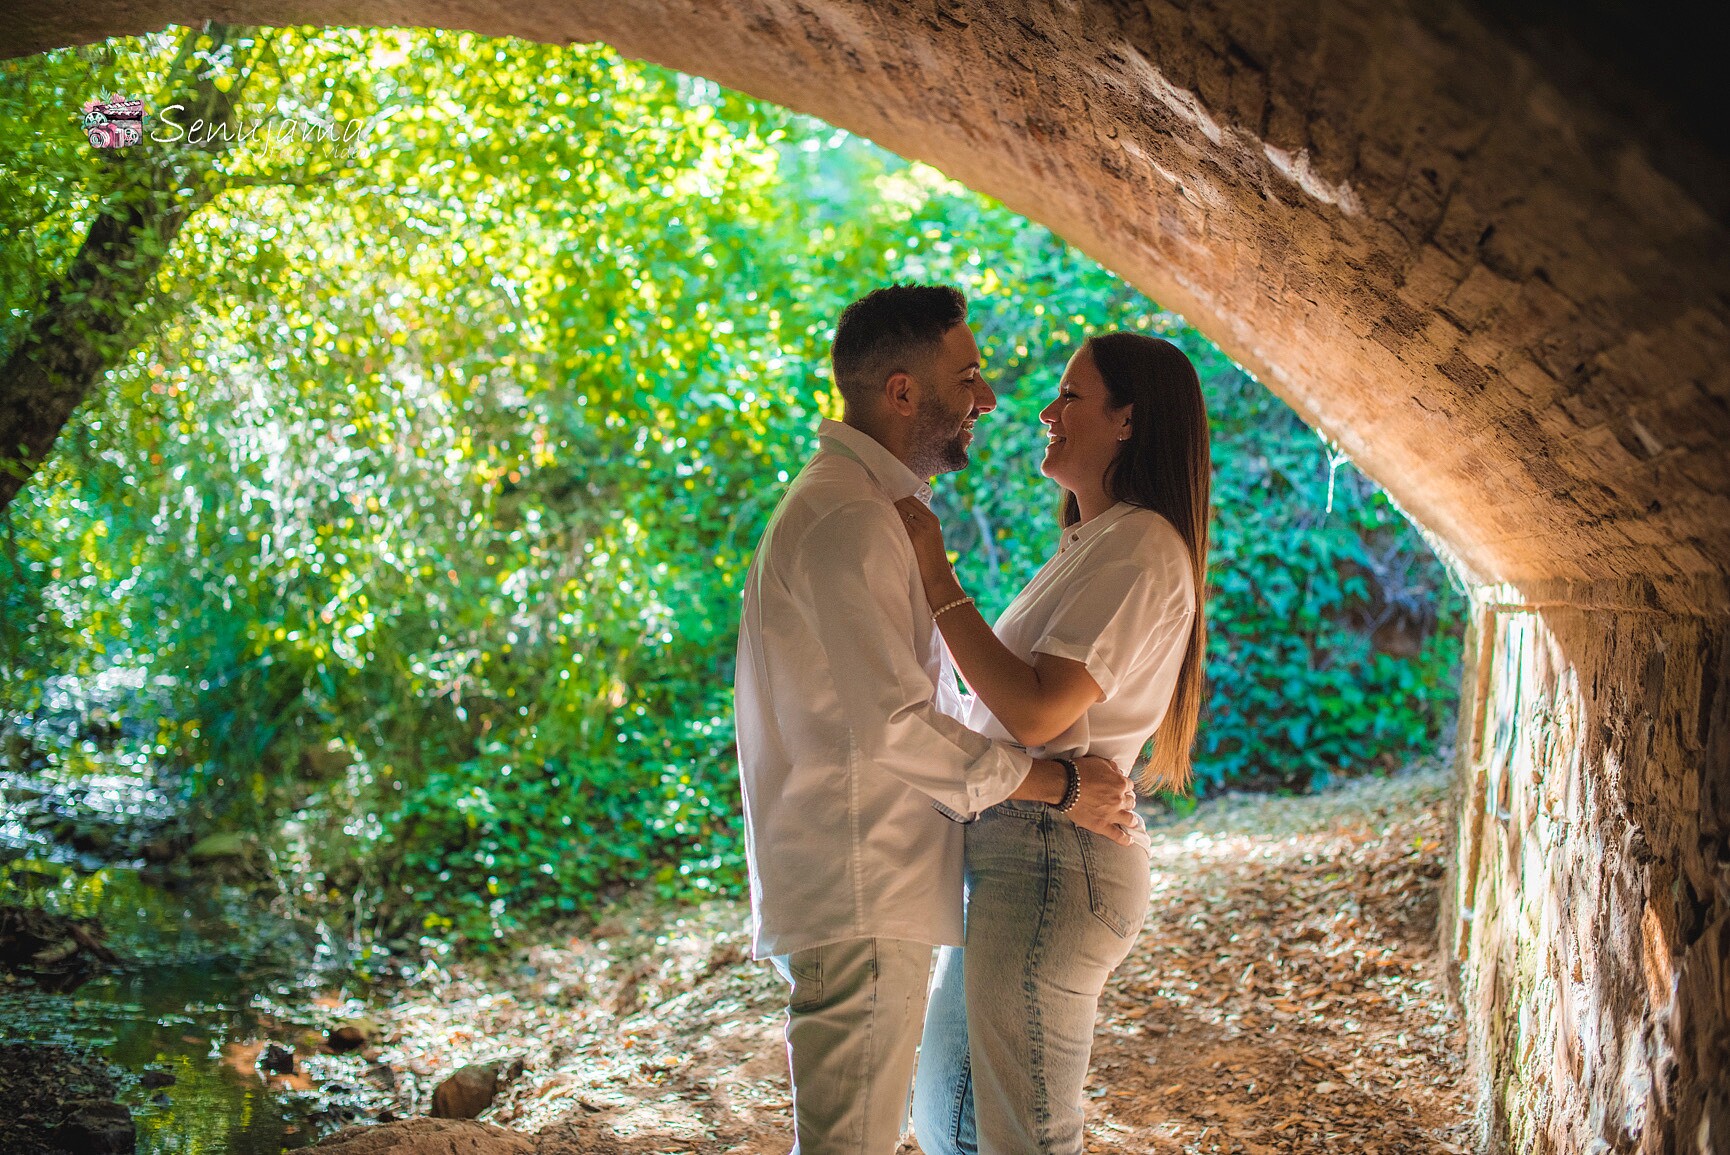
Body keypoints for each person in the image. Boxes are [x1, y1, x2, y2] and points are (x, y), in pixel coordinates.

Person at [733, 285, 1142, 1155]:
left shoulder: (862, 507)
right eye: (969, 375)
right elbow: (896, 726)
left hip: (870, 879)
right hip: (862, 881)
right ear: (903, 391)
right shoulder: (847, 516)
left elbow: (921, 705)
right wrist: (1058, 783)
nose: (989, 399)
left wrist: (1021, 766)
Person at [900, 331, 1212, 1155]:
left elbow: (1037, 712)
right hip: (1025, 852)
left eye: (1070, 395)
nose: (1046, 409)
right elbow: (1006, 710)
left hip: (1050, 857)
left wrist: (937, 574)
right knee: (952, 1121)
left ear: (1128, 421)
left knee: (1011, 1137)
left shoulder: (1143, 544)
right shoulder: (1094, 542)